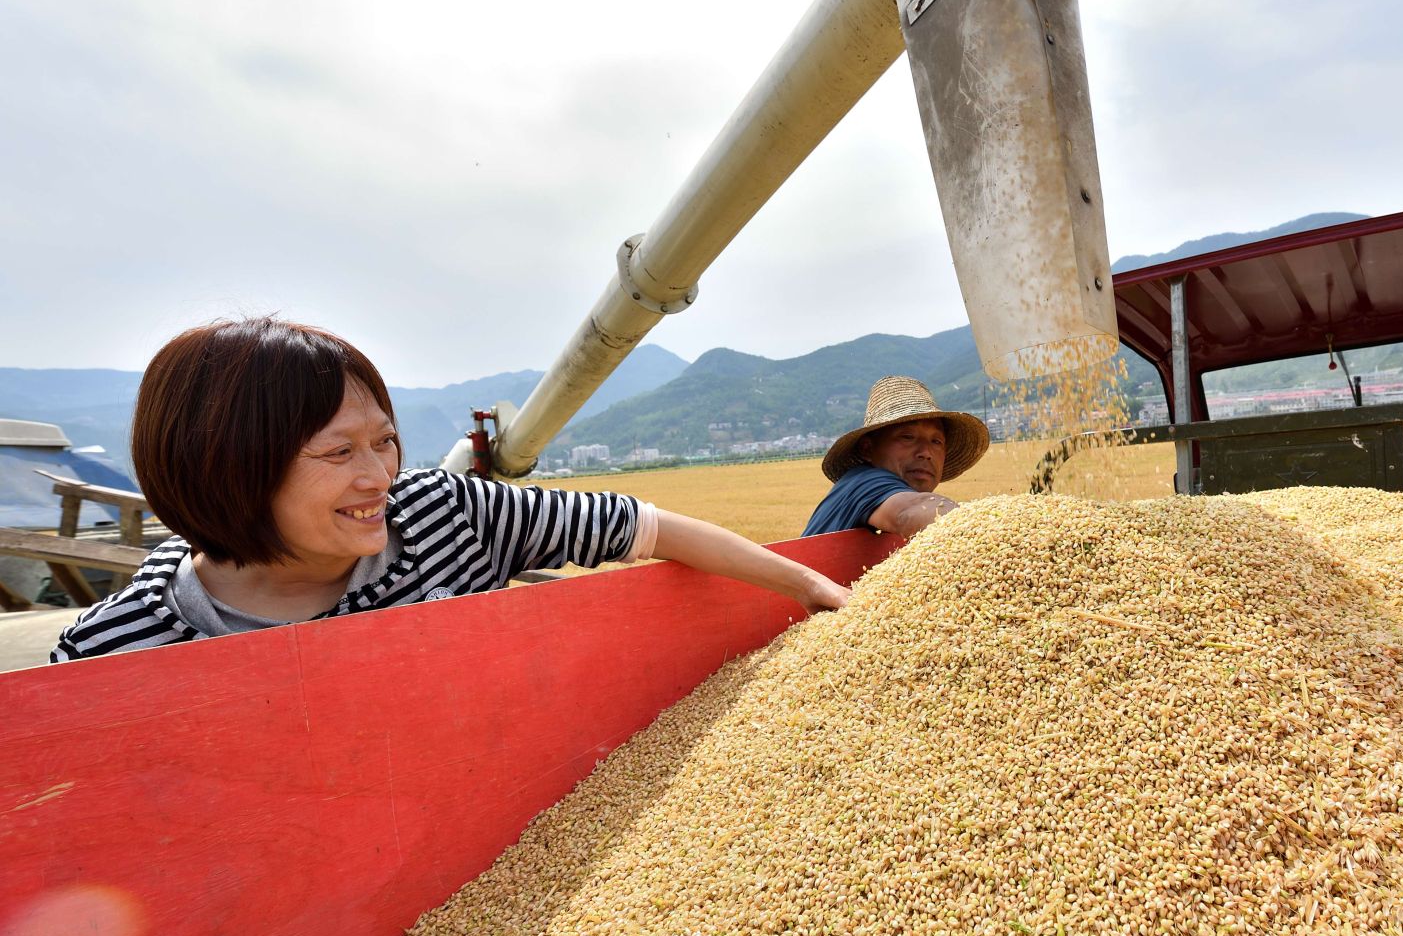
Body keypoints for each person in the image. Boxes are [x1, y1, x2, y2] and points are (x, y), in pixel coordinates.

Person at [51, 319, 848, 662]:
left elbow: (644, 526)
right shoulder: (112, 648)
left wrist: (811, 585)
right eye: (339, 453)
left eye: (384, 442)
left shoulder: (442, 515)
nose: (378, 478)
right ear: (229, 467)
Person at [801, 376, 990, 539]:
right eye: (907, 437)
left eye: (936, 441)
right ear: (867, 448)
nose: (926, 452)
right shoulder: (865, 482)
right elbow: (913, 511)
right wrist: (991, 530)